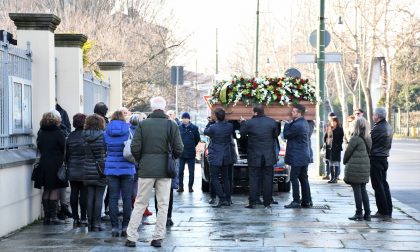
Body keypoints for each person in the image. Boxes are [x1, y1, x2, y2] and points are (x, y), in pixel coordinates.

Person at [125, 96, 183, 248]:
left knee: (140, 203)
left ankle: (131, 236)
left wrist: (141, 160)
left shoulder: (143, 124)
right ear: (164, 108)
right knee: (163, 205)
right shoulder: (171, 125)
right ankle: (158, 237)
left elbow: (135, 147)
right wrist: (172, 158)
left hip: (146, 169)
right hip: (165, 170)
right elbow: (179, 148)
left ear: (152, 108)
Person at [240, 104, 279, 209]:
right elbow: (276, 135)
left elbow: (242, 134)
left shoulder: (249, 123)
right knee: (268, 179)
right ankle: (267, 203)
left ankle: (252, 202)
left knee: (253, 179)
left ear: (255, 112)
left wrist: (242, 123)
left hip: (254, 156)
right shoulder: (271, 122)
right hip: (268, 156)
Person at [104, 110, 136, 237]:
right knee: (127, 199)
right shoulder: (129, 130)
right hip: (127, 167)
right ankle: (125, 227)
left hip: (111, 168)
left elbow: (104, 148)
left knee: (113, 198)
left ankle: (114, 227)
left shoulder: (106, 131)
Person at [36, 111, 68, 225]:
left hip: (43, 163)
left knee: (46, 189)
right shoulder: (58, 133)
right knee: (54, 189)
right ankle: (53, 217)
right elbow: (64, 148)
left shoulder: (41, 132)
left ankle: (46, 217)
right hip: (55, 164)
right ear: (56, 120)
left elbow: (39, 146)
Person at [204, 108, 235, 208]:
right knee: (226, 178)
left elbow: (205, 131)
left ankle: (221, 198)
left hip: (215, 156)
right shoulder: (229, 126)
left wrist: (209, 122)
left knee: (214, 178)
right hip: (226, 155)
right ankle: (228, 199)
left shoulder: (213, 127)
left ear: (216, 116)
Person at [343, 117, 372, 221]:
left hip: (355, 166)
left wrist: (344, 161)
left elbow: (348, 152)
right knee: (363, 189)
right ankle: (367, 213)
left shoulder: (355, 138)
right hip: (365, 166)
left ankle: (359, 213)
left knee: (357, 190)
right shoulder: (368, 138)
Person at [283, 104, 312, 209]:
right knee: (303, 178)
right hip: (303, 155)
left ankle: (296, 201)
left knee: (294, 178)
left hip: (297, 156)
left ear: (299, 113)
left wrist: (286, 124)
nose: (292, 113)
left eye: (294, 112)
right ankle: (307, 201)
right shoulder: (303, 123)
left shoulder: (297, 125)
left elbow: (286, 135)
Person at [82, 114, 107, 231]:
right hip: (100, 170)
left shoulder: (83, 135)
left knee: (89, 196)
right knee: (99, 197)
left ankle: (90, 223)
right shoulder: (103, 136)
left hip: (87, 169)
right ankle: (96, 224)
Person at [370, 107, 393, 220]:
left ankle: (383, 211)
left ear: (378, 116)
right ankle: (388, 210)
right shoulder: (388, 126)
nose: (373, 116)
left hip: (376, 158)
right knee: (383, 185)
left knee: (378, 185)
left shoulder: (378, 128)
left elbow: (369, 141)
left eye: (374, 114)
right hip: (383, 158)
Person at [66, 113, 88, 227]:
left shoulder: (70, 136)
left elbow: (66, 154)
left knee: (74, 192)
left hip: (72, 167)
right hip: (85, 168)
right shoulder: (87, 136)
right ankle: (83, 218)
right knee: (84, 194)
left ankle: (75, 218)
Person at [55, 100, 73, 220]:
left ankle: (62, 207)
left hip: (57, 159)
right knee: (59, 184)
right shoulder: (59, 132)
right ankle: (59, 208)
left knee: (58, 184)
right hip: (59, 159)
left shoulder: (62, 112)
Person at [177, 112, 200, 192]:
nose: (184, 120)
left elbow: (197, 139)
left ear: (189, 119)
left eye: (186, 118)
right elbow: (177, 139)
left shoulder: (194, 128)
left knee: (191, 172)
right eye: (183, 118)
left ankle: (190, 187)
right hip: (181, 153)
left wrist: (192, 145)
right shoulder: (179, 127)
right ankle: (180, 187)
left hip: (191, 153)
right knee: (180, 171)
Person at [325, 117, 344, 183]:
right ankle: (332, 177)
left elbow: (341, 139)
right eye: (332, 121)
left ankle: (335, 178)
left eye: (334, 121)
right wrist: (327, 142)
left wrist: (337, 145)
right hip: (329, 148)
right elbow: (325, 138)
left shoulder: (340, 129)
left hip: (336, 148)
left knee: (336, 162)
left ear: (337, 122)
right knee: (330, 163)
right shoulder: (329, 129)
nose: (333, 123)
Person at [322, 112, 336, 180]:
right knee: (327, 160)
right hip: (328, 145)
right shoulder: (327, 124)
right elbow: (326, 134)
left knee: (334, 161)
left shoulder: (336, 125)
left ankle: (336, 175)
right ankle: (327, 174)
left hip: (333, 146)